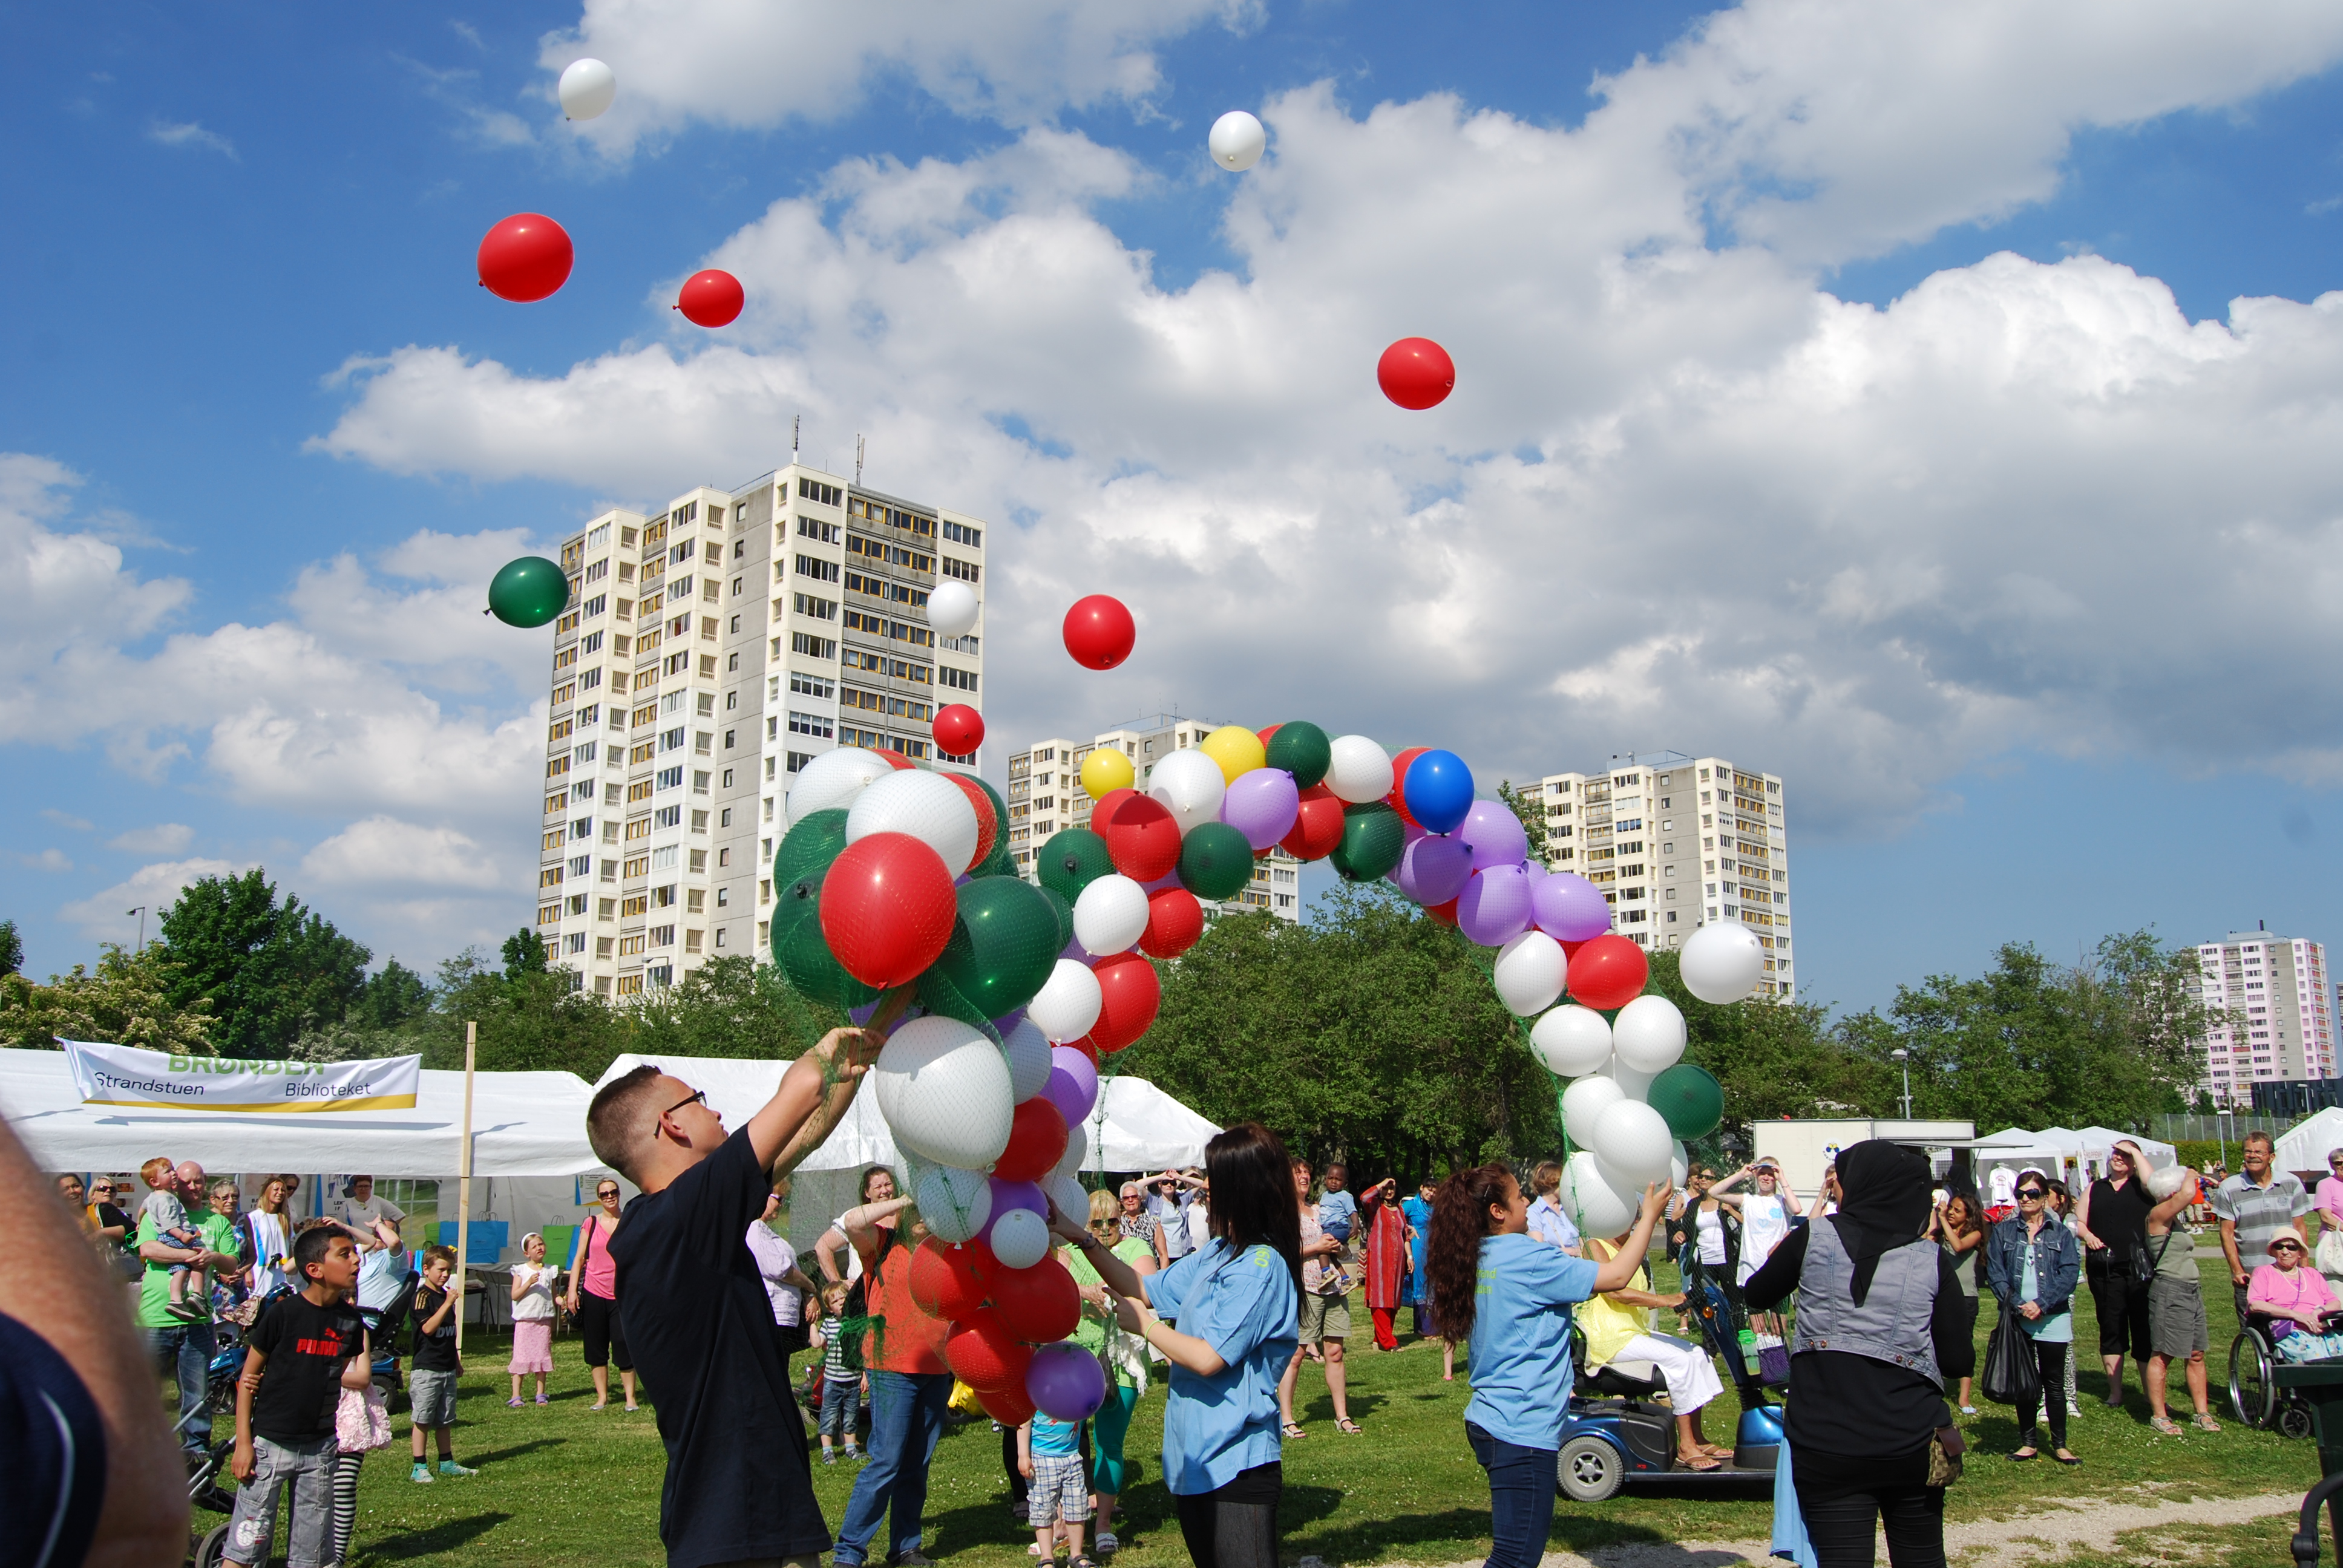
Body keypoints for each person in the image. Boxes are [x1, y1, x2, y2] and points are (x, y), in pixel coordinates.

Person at [586, 1024, 883, 1568]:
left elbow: (804, 1133)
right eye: (698, 1101)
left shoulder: (663, 1223)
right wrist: (833, 1046)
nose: (715, 1112)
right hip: (742, 1519)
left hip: (740, 1510)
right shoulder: (681, 1215)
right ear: (669, 1124)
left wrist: (860, 1059)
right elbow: (799, 1094)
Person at [1051, 1122, 1302, 1568]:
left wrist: (1147, 1329)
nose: (1206, 1189)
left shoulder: (1261, 1266)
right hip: (1196, 1460)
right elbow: (1143, 1287)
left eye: (1215, 1179)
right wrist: (1080, 1235)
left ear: (1241, 1188)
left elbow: (1208, 1357)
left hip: (1237, 1463)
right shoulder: (1221, 1251)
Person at [1748, 1140, 1978, 1567]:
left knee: (1842, 1558)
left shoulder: (1812, 1237)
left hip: (1827, 1437)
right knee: (1921, 1557)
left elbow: (1758, 1292)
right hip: (1909, 1436)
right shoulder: (1931, 1259)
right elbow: (1958, 1362)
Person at [1424, 1163, 1664, 1568]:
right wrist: (1651, 1216)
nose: (1528, 1202)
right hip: (1521, 1427)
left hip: (1491, 1419)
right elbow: (1619, 1274)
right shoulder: (1527, 1258)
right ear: (1498, 1211)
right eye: (1520, 1197)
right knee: (1515, 1558)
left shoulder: (1472, 1255)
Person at [1, 1113, 190, 1568]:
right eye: (94, 1190)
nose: (101, 1195)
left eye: (108, 1190)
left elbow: (126, 1233)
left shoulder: (108, 1215)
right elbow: (131, 1519)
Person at [221, 1224, 365, 1568]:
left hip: (320, 1451)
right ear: (314, 1269)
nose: (356, 1260)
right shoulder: (283, 1314)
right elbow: (248, 1378)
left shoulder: (350, 1323)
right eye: (344, 1254)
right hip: (270, 1448)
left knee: (311, 1555)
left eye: (354, 1252)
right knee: (246, 1547)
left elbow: (331, 1376)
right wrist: (244, 1443)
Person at [834, 1180, 954, 1568]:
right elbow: (852, 1221)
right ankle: (849, 1552)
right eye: (918, 1210)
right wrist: (905, 1197)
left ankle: (905, 1546)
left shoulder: (947, 1247)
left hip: (936, 1368)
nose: (923, 1217)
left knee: (917, 1463)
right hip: (891, 1367)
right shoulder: (883, 1243)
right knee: (886, 1459)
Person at [1579, 1221, 1729, 1470]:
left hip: (1634, 1331)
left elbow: (1638, 1296)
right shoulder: (1594, 1245)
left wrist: (1681, 1300)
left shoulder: (1629, 1249)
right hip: (1611, 1337)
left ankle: (1698, 1437)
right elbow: (1615, 1293)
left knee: (1698, 1353)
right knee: (1680, 1361)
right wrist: (1664, 1300)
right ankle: (1686, 1446)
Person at [133, 1162, 240, 1462]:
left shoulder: (217, 1222)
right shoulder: (161, 1206)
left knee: (196, 1389)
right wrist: (191, 1256)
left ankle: (196, 1449)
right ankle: (137, 1444)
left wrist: (213, 1256)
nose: (193, 1187)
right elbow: (147, 1250)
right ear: (176, 1183)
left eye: (199, 1182)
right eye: (187, 1182)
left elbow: (231, 1263)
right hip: (155, 1316)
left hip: (199, 1319)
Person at [1067, 1188, 1155, 1552]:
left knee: (1109, 1442)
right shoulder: (1070, 1253)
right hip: (1073, 1356)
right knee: (1062, 1444)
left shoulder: (1136, 1250)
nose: (1105, 1229)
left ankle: (1103, 1523)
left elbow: (1147, 1292)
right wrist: (1082, 1290)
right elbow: (1050, 1289)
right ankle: (1061, 1520)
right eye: (1096, 1223)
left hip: (1121, 1358)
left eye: (1112, 1221)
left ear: (1122, 1217)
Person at [1984, 1171, 2080, 1465]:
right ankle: (2028, 1442)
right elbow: (1995, 1271)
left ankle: (2060, 1444)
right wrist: (2016, 1303)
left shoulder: (2060, 1231)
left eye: (2033, 1194)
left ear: (2045, 1198)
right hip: (2017, 1317)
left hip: (2052, 1317)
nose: (2026, 1199)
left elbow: (2069, 1273)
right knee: (2025, 1381)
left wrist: (2041, 1304)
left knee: (2053, 1383)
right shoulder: (2004, 1230)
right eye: (2021, 1194)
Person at [1279, 1154, 1357, 1436]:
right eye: (1297, 1172)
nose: (1304, 1177)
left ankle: (1342, 1416)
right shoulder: (1283, 1213)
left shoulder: (1322, 1208)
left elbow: (1343, 1246)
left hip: (1334, 1286)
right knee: (1296, 1354)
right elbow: (1281, 1254)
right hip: (1306, 1289)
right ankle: (1286, 1418)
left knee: (1335, 1352)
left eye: (1307, 1172)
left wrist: (1339, 1248)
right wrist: (1315, 1248)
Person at [2075, 1138, 2154, 1407]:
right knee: (2111, 1327)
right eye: (2116, 1153)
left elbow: (2152, 1179)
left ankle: (2148, 1391)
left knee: (2143, 1328)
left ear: (2135, 1161)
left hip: (2138, 1269)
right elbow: (2080, 1220)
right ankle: (2115, 1392)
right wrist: (2087, 1235)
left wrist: (2133, 1150)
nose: (2119, 1158)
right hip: (2104, 1268)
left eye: (2126, 1155)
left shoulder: (2143, 1188)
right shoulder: (2096, 1187)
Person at [2140, 1163, 2218, 1434]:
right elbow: (2187, 1194)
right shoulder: (2157, 1215)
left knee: (2196, 1353)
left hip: (2191, 1290)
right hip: (2170, 1290)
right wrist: (2192, 1173)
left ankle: (2202, 1412)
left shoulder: (2175, 1219)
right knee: (2163, 1354)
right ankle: (2160, 1415)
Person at [2214, 1130, 2311, 1322]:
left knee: (2294, 1331)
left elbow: (2299, 1228)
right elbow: (2226, 1233)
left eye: (2259, 1152)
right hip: (2251, 1277)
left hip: (2287, 1274)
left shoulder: (2291, 1183)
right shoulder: (2230, 1188)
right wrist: (2237, 1270)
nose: (2253, 1156)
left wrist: (2304, 1266)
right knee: (2256, 1333)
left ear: (2272, 1157)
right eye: (2248, 1152)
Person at [565, 1175, 638, 1411]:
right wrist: (571, 1292)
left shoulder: (628, 1221)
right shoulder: (591, 1224)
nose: (609, 1197)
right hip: (594, 1290)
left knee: (623, 1343)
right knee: (595, 1346)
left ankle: (630, 1398)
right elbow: (579, 1258)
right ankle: (602, 1397)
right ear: (598, 1199)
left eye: (613, 1192)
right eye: (604, 1194)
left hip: (621, 1292)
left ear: (619, 1194)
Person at [406, 1244, 474, 1480]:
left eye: (449, 1270)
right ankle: (419, 1466)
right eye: (441, 1270)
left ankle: (446, 1461)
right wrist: (447, 1304)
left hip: (446, 1367)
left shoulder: (445, 1296)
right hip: (427, 1369)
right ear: (426, 1269)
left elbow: (450, 1331)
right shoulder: (422, 1297)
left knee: (445, 1419)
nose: (445, 1275)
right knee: (423, 1419)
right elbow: (428, 1328)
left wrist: (456, 1360)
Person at [1713, 1160, 1798, 1337]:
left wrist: (1782, 1178)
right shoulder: (1748, 1200)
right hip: (1752, 1271)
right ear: (1756, 1176)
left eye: (1771, 1174)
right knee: (1759, 1331)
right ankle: (1763, 1363)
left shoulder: (1782, 1202)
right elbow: (1714, 1192)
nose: (1766, 1177)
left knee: (1778, 1329)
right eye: (1762, 1173)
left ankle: (1782, 1363)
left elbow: (1797, 1209)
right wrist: (1741, 1174)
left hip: (1777, 1271)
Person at [747, 1181, 818, 1378]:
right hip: (771, 1318)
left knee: (778, 1373)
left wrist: (808, 1294)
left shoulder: (764, 1231)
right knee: (771, 1375)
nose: (781, 1204)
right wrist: (810, 1285)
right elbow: (780, 1269)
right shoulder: (753, 1229)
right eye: (779, 1199)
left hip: (783, 1320)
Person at [136, 1154, 211, 1320]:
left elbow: (142, 1209)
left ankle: (176, 1300)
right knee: (198, 1260)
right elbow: (170, 1225)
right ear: (155, 1182)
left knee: (180, 1269)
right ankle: (198, 1295)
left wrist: (139, 1222)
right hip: (174, 1236)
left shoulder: (151, 1198)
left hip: (165, 1238)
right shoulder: (167, 1199)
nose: (173, 1173)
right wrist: (183, 1236)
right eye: (168, 1171)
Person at [1019, 1406, 1095, 1568]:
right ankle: (1047, 1559)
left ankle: (1076, 1555)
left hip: (1072, 1455)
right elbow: (1023, 1421)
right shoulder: (1036, 1390)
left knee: (1077, 1507)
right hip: (1042, 1458)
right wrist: (1023, 1455)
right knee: (1043, 1509)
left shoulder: (1076, 1387)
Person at [1928, 1193, 1984, 1415]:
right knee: (1934, 1340)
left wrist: (1942, 1220)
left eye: (1957, 1210)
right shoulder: (1942, 1231)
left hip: (1966, 1297)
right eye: (1950, 1208)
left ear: (1969, 1215)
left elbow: (1959, 1246)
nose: (1951, 1212)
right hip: (1941, 1294)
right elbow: (1928, 1237)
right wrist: (1935, 1214)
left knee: (1964, 1344)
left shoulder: (1976, 1234)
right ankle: (1935, 1387)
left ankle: (1964, 1397)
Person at [2250, 1234, 2343, 1362]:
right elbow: (2256, 1304)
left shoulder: (2312, 1274)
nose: (2285, 1251)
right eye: (2279, 1246)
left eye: (2291, 1247)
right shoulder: (2264, 1272)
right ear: (2273, 1251)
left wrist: (2318, 1312)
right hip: (2291, 1331)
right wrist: (2296, 1315)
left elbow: (2335, 1303)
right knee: (2315, 1358)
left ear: (2300, 1253)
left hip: (2322, 1328)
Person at [810, 1281, 867, 1465]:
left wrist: (865, 1375)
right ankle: (827, 1452)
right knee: (829, 1414)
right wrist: (812, 1323)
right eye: (835, 1301)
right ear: (829, 1307)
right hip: (833, 1381)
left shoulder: (856, 1323)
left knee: (851, 1414)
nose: (841, 1302)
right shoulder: (829, 1324)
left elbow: (863, 1351)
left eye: (844, 1298)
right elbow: (817, 1343)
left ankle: (851, 1449)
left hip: (853, 1380)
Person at [818, 1165, 897, 1287]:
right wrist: (838, 1284)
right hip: (863, 1290)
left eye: (888, 1184)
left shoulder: (906, 1215)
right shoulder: (856, 1218)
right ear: (867, 1193)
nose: (885, 1191)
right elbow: (823, 1246)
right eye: (878, 1187)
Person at [508, 1232, 559, 1406]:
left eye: (541, 1244)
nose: (539, 1248)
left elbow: (554, 1295)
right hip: (525, 1322)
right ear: (526, 1253)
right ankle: (516, 1395)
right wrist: (528, 1282)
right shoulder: (521, 1271)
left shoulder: (550, 1270)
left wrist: (563, 1301)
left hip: (543, 1321)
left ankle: (541, 1393)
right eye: (534, 1246)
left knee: (542, 1358)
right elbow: (515, 1295)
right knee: (521, 1358)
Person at [1358, 1177, 1409, 1351]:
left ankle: (1378, 1339)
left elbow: (1406, 1235)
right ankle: (1389, 1342)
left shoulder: (1400, 1210)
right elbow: (1364, 1198)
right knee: (1380, 1297)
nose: (1389, 1191)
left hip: (1398, 1261)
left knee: (1393, 1299)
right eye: (1386, 1189)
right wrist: (1380, 1184)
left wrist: (1409, 1257)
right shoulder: (1375, 1207)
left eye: (1392, 1188)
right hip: (1379, 1259)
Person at [241, 1175, 297, 1302]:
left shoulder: (284, 1219)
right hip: (260, 1270)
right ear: (267, 1191)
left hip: (280, 1271)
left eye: (283, 1190)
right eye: (276, 1189)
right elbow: (248, 1248)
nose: (280, 1193)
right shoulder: (254, 1217)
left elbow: (289, 1247)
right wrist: (248, 1272)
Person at [1401, 1179, 1437, 1338]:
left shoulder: (1434, 1207)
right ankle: (1422, 1327)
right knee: (1419, 1285)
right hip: (1416, 1249)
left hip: (1431, 1250)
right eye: (1429, 1190)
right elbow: (1396, 1216)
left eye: (1434, 1191)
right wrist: (1409, 1227)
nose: (1431, 1193)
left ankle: (1429, 1325)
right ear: (1421, 1188)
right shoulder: (1413, 1205)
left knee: (1432, 1285)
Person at [1523, 1161, 1581, 1257]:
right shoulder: (1534, 1212)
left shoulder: (1571, 1206)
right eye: (1563, 1182)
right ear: (1551, 1183)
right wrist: (1571, 1251)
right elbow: (1538, 1251)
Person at [1148, 1171, 1199, 1264]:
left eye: (1172, 1183)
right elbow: (1136, 1186)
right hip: (1160, 1255)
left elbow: (1203, 1184)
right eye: (1165, 1182)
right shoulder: (1153, 1201)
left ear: (1176, 1185)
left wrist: (1181, 1177)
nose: (1169, 1185)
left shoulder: (1183, 1199)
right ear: (1160, 1185)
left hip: (1181, 1254)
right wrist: (1161, 1176)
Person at [1118, 1181, 1171, 1270]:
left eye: (1134, 1197)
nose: (1130, 1200)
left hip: (1148, 1273)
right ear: (1122, 1202)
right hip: (1123, 1273)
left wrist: (1161, 1278)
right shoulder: (1117, 1224)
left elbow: (1163, 1255)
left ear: (1140, 1198)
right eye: (1126, 1198)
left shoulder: (1153, 1223)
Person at [335, 1175, 406, 1233]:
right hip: (356, 1243)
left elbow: (399, 1215)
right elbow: (340, 1225)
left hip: (376, 1244)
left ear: (371, 1188)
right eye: (360, 1186)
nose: (363, 1189)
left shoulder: (378, 1201)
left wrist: (387, 1230)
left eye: (366, 1186)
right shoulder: (347, 1205)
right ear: (355, 1188)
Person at [2315, 1148, 2343, 1292]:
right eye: (2339, 1162)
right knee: (2337, 1293)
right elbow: (2326, 1217)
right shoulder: (2325, 1184)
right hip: (2335, 1243)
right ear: (2332, 1165)